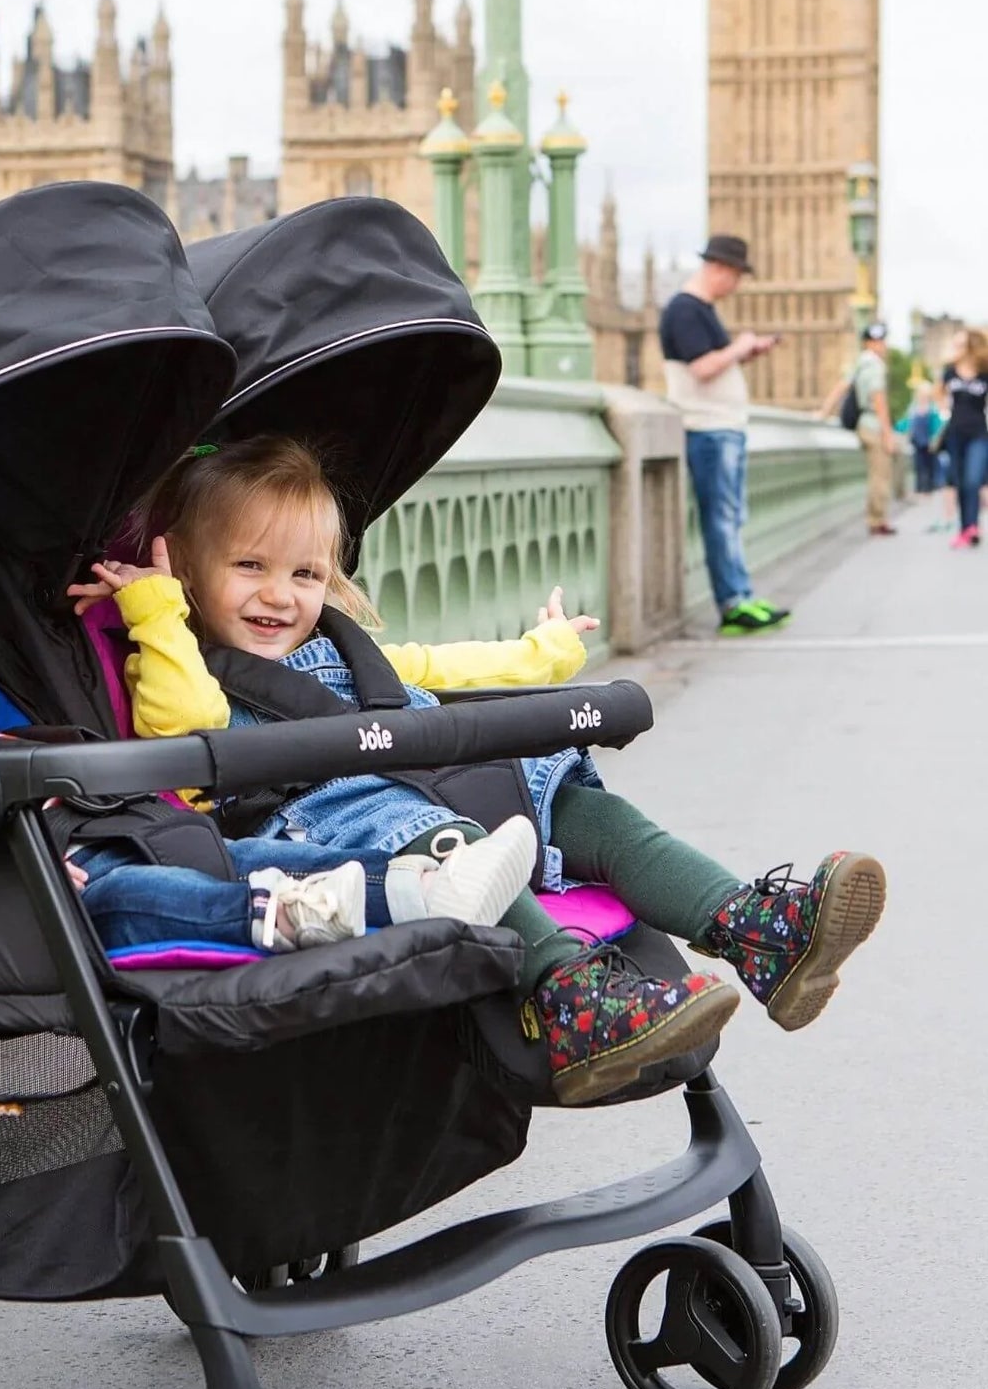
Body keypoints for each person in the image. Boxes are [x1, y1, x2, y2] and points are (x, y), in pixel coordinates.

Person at [70, 437, 887, 1106]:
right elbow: (182, 725)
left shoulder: (347, 651)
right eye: (249, 567)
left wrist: (543, 652)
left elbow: (448, 666)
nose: (278, 595)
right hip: (334, 819)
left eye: (305, 574)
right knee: (443, 841)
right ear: (186, 570)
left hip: (439, 776)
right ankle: (567, 998)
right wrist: (155, 610)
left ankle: (750, 927)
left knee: (579, 805)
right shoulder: (188, 665)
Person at [0, 580, 539, 954]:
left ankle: (425, 881)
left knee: (275, 854)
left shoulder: (12, 737)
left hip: (157, 833)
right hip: (70, 902)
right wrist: (7, 864)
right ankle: (288, 913)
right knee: (159, 893)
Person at [658, 234, 791, 635]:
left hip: (724, 427)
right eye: (735, 275)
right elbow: (701, 367)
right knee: (721, 519)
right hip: (708, 429)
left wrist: (747, 352)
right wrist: (740, 346)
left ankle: (743, 593)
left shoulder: (702, 310)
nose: (736, 285)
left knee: (731, 517)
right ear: (719, 268)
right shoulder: (684, 310)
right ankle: (733, 602)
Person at [935, 327, 988, 548]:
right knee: (959, 482)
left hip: (978, 433)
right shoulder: (950, 370)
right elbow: (938, 392)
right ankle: (965, 529)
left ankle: (973, 526)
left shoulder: (985, 372)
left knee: (973, 480)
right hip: (955, 433)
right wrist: (944, 410)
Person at [851, 321, 897, 536]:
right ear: (869, 343)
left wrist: (823, 412)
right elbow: (878, 398)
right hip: (873, 424)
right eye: (879, 341)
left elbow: (843, 386)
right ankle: (877, 520)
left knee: (875, 474)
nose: (883, 346)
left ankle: (876, 518)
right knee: (880, 475)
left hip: (862, 423)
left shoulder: (859, 363)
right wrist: (888, 433)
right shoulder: (875, 365)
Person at [894, 381, 945, 514]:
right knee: (919, 467)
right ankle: (921, 490)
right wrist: (896, 429)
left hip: (930, 444)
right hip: (917, 443)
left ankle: (929, 490)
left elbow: (938, 426)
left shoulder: (932, 409)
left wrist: (935, 440)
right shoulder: (913, 409)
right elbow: (905, 424)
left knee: (930, 467)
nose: (922, 397)